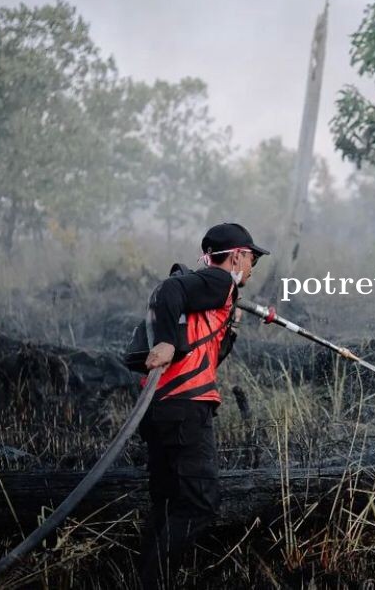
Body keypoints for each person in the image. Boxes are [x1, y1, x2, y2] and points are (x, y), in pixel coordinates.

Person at [136, 222, 269, 589]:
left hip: (164, 407)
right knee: (199, 504)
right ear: (238, 255)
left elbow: (207, 357)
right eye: (253, 257)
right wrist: (164, 342)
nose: (253, 267)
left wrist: (231, 327)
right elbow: (169, 288)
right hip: (184, 406)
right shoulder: (219, 280)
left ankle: (147, 580)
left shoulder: (211, 296)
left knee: (166, 502)